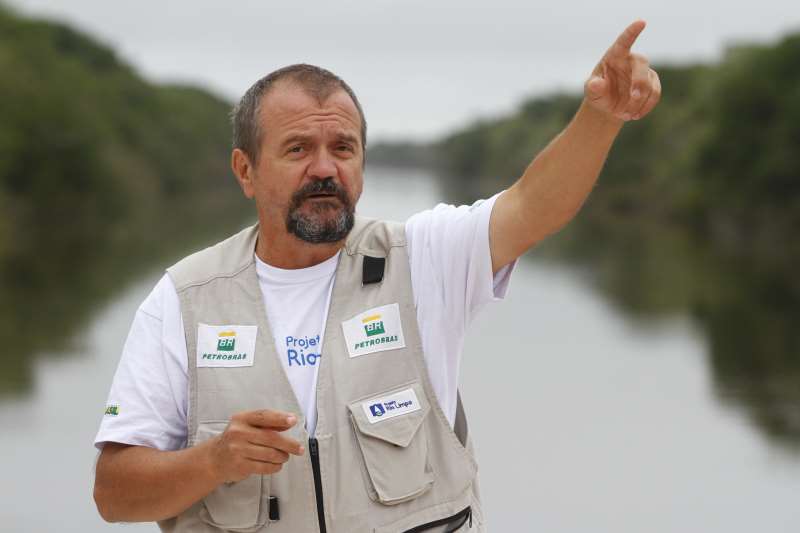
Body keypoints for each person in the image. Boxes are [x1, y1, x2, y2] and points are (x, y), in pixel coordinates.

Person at [93, 19, 661, 533]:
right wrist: (212, 461)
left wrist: (601, 116)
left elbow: (534, 205)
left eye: (343, 147)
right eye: (297, 149)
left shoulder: (424, 261)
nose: (325, 167)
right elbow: (114, 494)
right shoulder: (184, 299)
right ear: (246, 170)